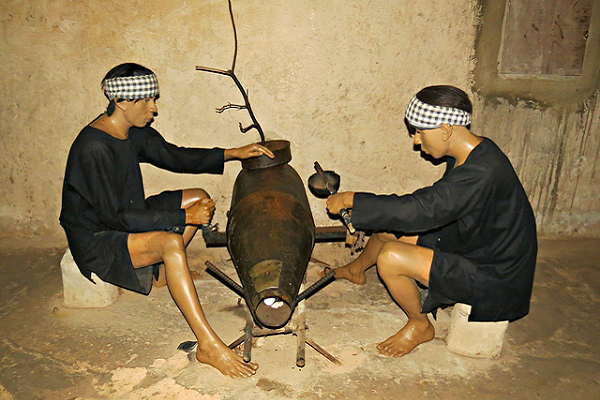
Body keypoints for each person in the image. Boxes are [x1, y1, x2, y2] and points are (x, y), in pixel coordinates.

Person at [60, 62, 274, 378]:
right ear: (121, 101)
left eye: (154, 99)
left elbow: (174, 156)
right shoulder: (93, 147)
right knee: (171, 242)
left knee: (198, 196)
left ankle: (161, 275)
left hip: (123, 217)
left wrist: (232, 153)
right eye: (146, 101)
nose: (154, 108)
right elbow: (114, 217)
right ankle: (207, 345)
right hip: (98, 238)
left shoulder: (131, 132)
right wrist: (182, 217)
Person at [325, 85, 537, 358]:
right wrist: (369, 213)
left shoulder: (482, 172)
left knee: (391, 257)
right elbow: (436, 206)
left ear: (446, 130)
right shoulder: (475, 152)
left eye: (419, 132)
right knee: (388, 231)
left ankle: (420, 324)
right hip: (473, 244)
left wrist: (354, 199)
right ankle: (357, 269)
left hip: (494, 275)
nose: (416, 141)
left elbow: (422, 209)